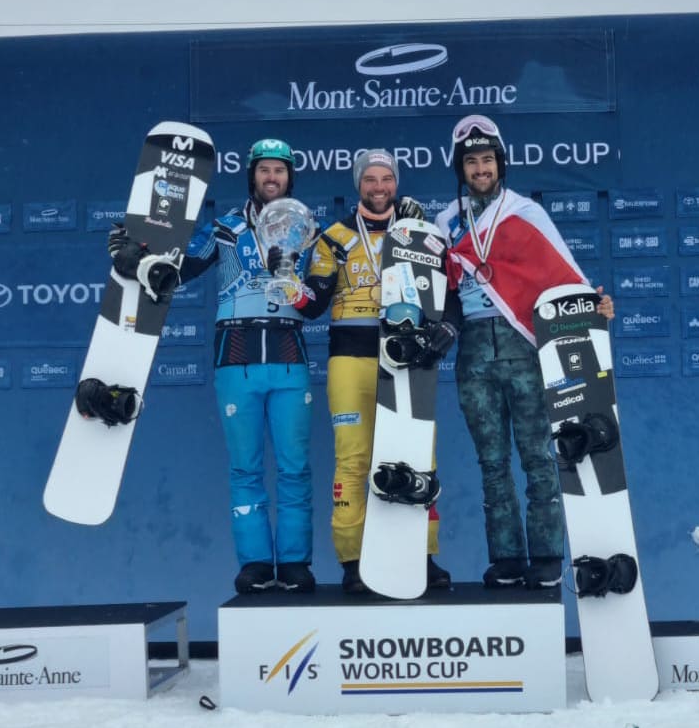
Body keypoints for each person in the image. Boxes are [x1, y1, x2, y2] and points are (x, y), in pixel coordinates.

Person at [108, 137, 317, 594]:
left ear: (290, 178)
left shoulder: (306, 231)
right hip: (236, 356)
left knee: (294, 467)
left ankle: (297, 563)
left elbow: (318, 300)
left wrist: (295, 283)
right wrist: (136, 260)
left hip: (288, 356)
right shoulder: (225, 228)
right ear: (252, 176)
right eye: (264, 170)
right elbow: (180, 268)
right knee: (245, 468)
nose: (271, 178)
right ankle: (257, 562)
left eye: (279, 171)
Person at [436, 114, 614, 589]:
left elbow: (563, 277)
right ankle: (508, 559)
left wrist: (594, 307)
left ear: (500, 164)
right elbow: (442, 292)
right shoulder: (444, 223)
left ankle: (548, 555)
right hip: (473, 353)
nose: (480, 169)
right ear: (460, 169)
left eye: (487, 160)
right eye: (471, 162)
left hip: (523, 348)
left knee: (538, 455)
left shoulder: (524, 213)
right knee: (491, 463)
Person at [300, 149, 453, 594]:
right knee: (353, 459)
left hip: (407, 357)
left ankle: (422, 557)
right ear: (358, 185)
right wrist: (288, 277)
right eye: (371, 179)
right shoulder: (333, 236)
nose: (379, 187)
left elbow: (445, 290)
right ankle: (352, 561)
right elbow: (313, 304)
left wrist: (447, 324)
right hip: (350, 358)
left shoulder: (419, 231)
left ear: (396, 183)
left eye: (387, 178)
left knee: (419, 455)